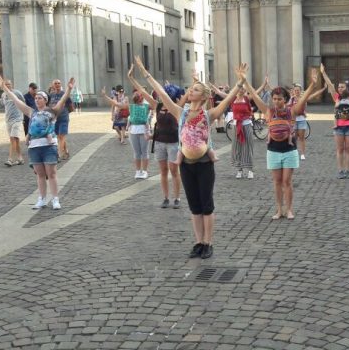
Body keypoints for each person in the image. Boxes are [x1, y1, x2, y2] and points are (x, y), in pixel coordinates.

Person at [135, 56, 246, 259]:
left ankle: (208, 242)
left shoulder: (209, 114)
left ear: (202, 96)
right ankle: (198, 242)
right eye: (191, 89)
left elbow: (228, 99)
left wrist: (240, 82)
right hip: (186, 165)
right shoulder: (180, 112)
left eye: (194, 89)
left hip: (204, 165)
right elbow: (161, 93)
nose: (190, 91)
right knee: (194, 206)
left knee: (206, 204)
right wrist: (146, 73)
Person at [244, 70, 320, 219]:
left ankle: (289, 209)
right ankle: (279, 209)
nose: (277, 101)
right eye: (274, 98)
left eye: (279, 99)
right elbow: (254, 96)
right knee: (277, 182)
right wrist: (245, 81)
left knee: (287, 181)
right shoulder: (268, 111)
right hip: (273, 150)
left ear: (285, 99)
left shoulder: (292, 111)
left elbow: (303, 99)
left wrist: (312, 84)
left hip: (289, 150)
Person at [0, 74, 75, 210]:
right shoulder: (31, 112)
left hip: (49, 147)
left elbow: (62, 101)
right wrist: (5, 89)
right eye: (36, 98)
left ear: (45, 100)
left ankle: (55, 199)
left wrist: (69, 90)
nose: (37, 100)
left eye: (39, 98)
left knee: (51, 174)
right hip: (34, 147)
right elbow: (16, 100)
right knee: (40, 175)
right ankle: (42, 199)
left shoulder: (52, 111)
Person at [130, 77, 184, 208]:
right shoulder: (157, 105)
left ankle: (177, 197)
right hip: (160, 142)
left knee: (174, 171)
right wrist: (132, 78)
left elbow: (186, 96)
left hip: (173, 143)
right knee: (163, 171)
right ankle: (166, 197)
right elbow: (143, 92)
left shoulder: (176, 107)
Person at [289, 83, 325, 159]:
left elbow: (313, 95)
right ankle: (294, 153)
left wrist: (323, 89)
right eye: (295, 90)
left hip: (301, 119)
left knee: (302, 137)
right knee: (294, 138)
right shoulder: (291, 99)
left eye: (298, 90)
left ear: (300, 91)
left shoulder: (303, 98)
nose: (296, 92)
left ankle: (302, 154)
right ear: (293, 91)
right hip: (293, 120)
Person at [1, 79, 25, 166]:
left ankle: (10, 159)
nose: (7, 86)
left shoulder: (17, 93)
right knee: (16, 140)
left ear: (12, 85)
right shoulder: (3, 94)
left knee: (12, 138)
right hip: (8, 120)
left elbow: (23, 102)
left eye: (9, 84)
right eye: (6, 85)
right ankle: (20, 158)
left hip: (17, 119)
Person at [48, 79, 73, 160]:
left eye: (59, 83)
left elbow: (71, 106)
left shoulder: (64, 94)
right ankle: (66, 151)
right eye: (55, 83)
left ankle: (58, 154)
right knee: (59, 136)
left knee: (61, 136)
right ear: (52, 85)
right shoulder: (51, 95)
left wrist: (65, 112)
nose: (57, 84)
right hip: (55, 118)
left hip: (63, 118)